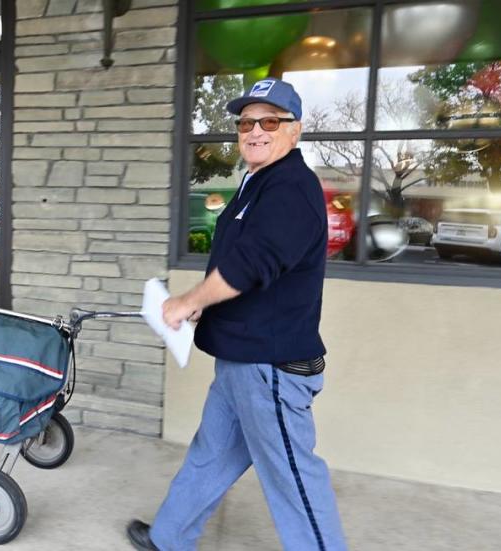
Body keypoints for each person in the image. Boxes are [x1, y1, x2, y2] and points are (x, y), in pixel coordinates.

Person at [127, 78, 347, 551]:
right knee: (211, 454)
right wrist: (205, 308)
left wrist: (190, 301)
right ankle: (169, 538)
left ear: (296, 130)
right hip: (240, 360)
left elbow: (252, 264)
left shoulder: (291, 187)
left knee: (294, 481)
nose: (255, 131)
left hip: (270, 367)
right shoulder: (258, 182)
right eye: (246, 122)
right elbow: (242, 264)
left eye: (271, 120)